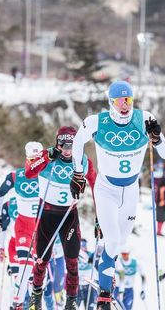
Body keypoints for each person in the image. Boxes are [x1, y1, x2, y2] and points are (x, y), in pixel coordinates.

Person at [70, 81, 165, 309]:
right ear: (111, 102)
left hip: (131, 190)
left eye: (128, 100)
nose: (124, 106)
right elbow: (77, 142)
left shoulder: (144, 118)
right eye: (119, 101)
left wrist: (157, 138)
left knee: (119, 242)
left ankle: (108, 266)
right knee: (113, 240)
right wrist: (77, 173)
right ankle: (104, 293)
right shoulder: (98, 122)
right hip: (106, 189)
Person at [25, 127, 97, 310]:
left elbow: (96, 185)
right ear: (57, 143)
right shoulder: (47, 157)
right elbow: (29, 172)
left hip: (68, 216)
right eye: (63, 145)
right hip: (46, 215)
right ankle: (36, 296)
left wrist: (100, 217)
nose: (67, 150)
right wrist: (47, 156)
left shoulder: (82, 161)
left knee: (72, 260)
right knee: (42, 259)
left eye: (71, 146)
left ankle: (71, 301)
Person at [0, 141, 43, 309]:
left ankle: (33, 303)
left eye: (37, 159)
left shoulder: (49, 175)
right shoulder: (16, 176)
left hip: (42, 228)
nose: (34, 163)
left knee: (38, 275)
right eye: (31, 159)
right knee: (23, 267)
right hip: (23, 228)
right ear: (27, 158)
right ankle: (17, 303)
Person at [78, 239, 97, 310]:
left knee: (90, 307)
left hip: (89, 286)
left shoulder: (90, 255)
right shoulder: (75, 255)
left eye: (84, 246)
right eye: (81, 246)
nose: (83, 248)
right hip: (78, 286)